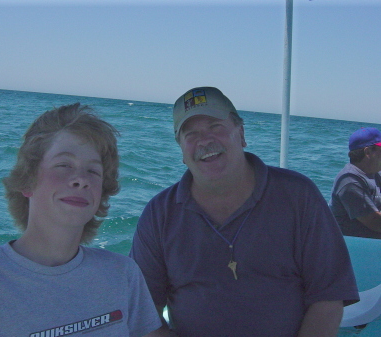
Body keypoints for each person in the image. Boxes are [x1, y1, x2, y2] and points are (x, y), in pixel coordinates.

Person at [130, 87, 359, 337]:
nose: (205, 141)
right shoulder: (158, 213)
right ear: (181, 149)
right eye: (191, 134)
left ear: (241, 133)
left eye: (216, 126)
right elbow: (143, 310)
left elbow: (328, 297)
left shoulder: (299, 195)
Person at [0, 103, 161, 337]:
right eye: (63, 165)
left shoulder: (123, 273)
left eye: (93, 171)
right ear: (28, 181)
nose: (81, 179)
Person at [329, 127, 381, 239]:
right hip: (353, 249)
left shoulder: (374, 175)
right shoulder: (349, 181)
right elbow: (375, 223)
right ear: (368, 152)